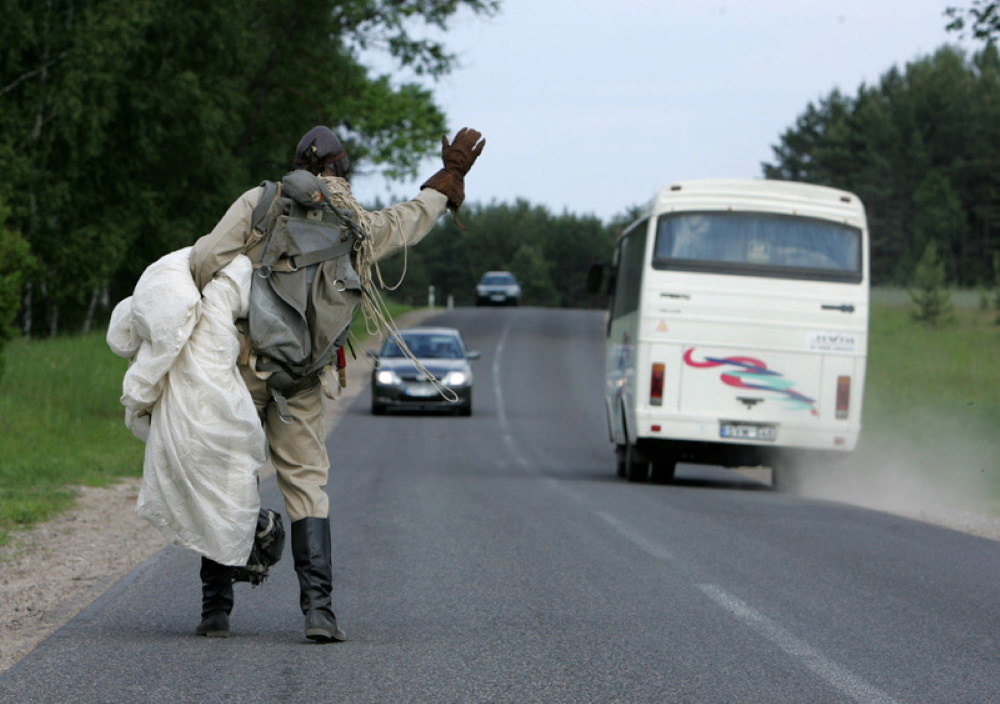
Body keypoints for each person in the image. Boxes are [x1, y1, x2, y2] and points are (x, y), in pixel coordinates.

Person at [188, 125, 485, 642]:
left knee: (225, 475)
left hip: (241, 368)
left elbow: (206, 261)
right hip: (303, 379)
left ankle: (216, 609)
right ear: (341, 170)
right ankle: (318, 611)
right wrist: (450, 177)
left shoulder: (259, 203)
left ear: (297, 164)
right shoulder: (356, 224)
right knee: (306, 488)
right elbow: (409, 220)